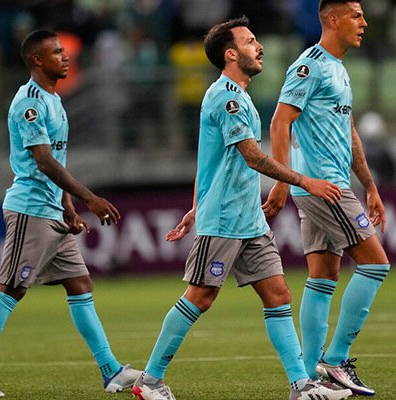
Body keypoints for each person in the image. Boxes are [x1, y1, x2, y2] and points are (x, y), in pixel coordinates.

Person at [131, 17, 352, 400]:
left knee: (279, 294)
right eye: (250, 41)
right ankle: (149, 381)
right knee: (200, 297)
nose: (259, 46)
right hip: (224, 220)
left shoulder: (239, 95)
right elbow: (252, 157)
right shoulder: (227, 97)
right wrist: (304, 181)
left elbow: (211, 160)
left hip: (248, 219)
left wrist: (193, 206)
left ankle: (301, 387)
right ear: (230, 54)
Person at [0, 30, 141, 397]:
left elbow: (58, 161)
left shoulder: (55, 99)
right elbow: (43, 160)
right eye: (56, 52)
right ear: (37, 60)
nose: (65, 56)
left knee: (80, 285)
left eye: (64, 50)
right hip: (30, 210)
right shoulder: (29, 102)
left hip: (52, 210)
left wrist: (69, 208)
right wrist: (89, 198)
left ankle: (111, 371)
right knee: (11, 289)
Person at [263, 1, 391, 396]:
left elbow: (349, 133)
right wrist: (283, 182)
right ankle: (334, 360)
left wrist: (369, 185)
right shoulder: (309, 65)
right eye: (356, 15)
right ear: (332, 19)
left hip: (334, 185)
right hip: (323, 187)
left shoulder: (339, 68)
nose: (364, 22)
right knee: (376, 265)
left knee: (323, 277)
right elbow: (280, 120)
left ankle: (306, 380)